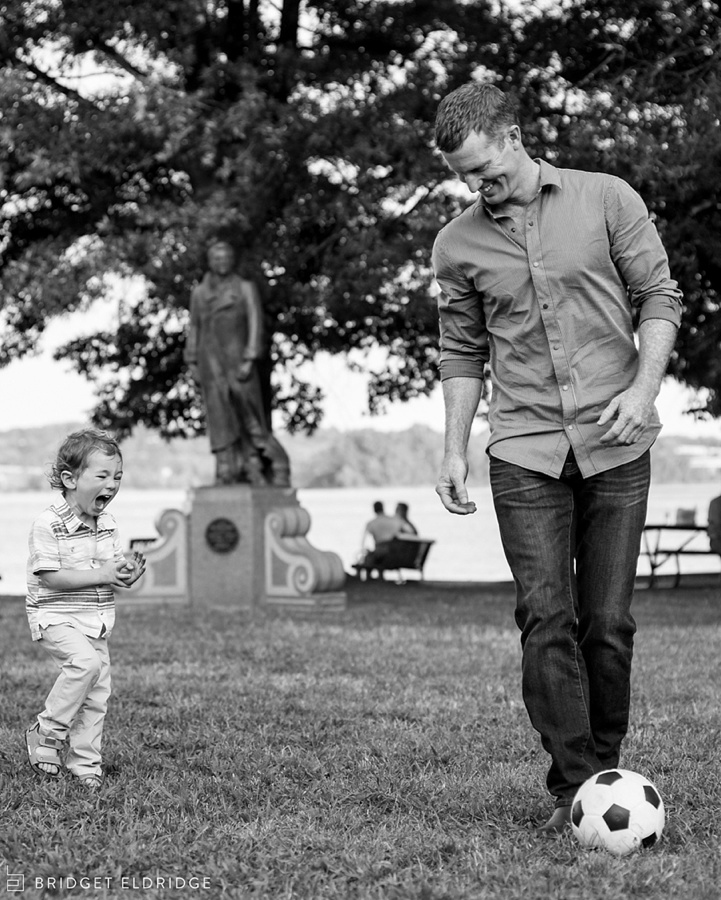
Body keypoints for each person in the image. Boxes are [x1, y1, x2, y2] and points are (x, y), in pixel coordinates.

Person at [431, 82, 682, 834]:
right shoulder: (456, 243)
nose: (479, 187)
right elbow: (461, 351)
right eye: (465, 179)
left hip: (615, 442)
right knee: (545, 616)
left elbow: (659, 298)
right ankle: (573, 786)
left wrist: (641, 390)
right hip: (522, 449)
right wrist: (451, 449)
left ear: (511, 136)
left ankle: (605, 766)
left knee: (606, 621)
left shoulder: (606, 198)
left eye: (486, 171)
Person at [25, 428, 146, 789]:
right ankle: (46, 732)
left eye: (118, 477)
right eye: (103, 475)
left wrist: (124, 575)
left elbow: (108, 573)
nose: (112, 484)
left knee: (98, 695)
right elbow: (51, 578)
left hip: (96, 621)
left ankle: (85, 764)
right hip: (56, 616)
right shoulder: (50, 523)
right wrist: (103, 573)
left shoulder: (107, 523)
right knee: (85, 664)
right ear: (70, 478)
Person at [184, 239, 290, 487]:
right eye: (217, 258)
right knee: (219, 417)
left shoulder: (245, 288)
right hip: (210, 362)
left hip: (239, 361)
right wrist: (192, 361)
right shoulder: (200, 293)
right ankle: (225, 470)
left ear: (233, 260)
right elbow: (195, 328)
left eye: (226, 257)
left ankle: (258, 465)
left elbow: (256, 325)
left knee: (249, 415)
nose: (222, 263)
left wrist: (251, 357)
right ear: (210, 262)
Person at [359, 501, 402, 577]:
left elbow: (364, 542)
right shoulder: (394, 520)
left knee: (370, 557)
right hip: (395, 553)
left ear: (374, 509)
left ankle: (368, 579)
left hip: (381, 553)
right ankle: (379, 577)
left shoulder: (372, 523)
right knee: (377, 555)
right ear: (383, 508)